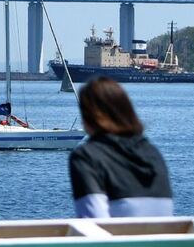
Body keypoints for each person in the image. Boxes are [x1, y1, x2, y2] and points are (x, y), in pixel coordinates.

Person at [68, 77, 174, 218]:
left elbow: (94, 222)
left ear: (89, 116)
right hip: (164, 238)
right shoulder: (153, 153)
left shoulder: (86, 157)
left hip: (120, 239)